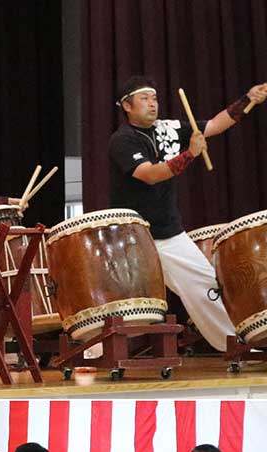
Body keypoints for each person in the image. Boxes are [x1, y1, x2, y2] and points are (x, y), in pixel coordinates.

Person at [108, 76, 267, 350]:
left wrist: (248, 100)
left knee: (206, 287)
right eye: (144, 98)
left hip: (167, 231)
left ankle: (233, 345)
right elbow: (149, 174)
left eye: (155, 98)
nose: (152, 104)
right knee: (117, 303)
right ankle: (97, 351)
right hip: (135, 236)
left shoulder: (168, 128)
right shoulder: (123, 140)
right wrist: (189, 155)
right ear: (127, 106)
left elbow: (215, 125)